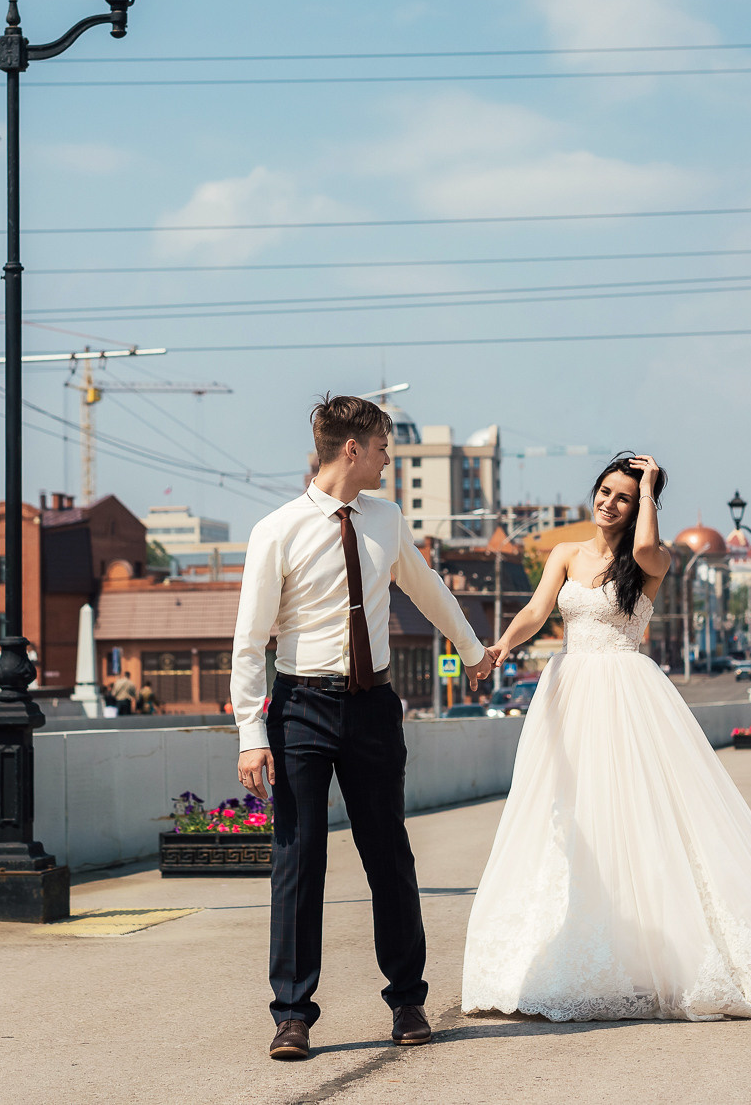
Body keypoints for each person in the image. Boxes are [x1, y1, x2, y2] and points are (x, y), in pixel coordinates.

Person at [462, 453, 751, 1022]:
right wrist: (503, 645)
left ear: (638, 506)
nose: (608, 502)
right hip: (568, 693)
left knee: (634, 818)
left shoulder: (653, 559)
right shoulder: (565, 553)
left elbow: (647, 547)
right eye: (605, 490)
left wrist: (648, 487)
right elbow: (535, 609)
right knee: (570, 820)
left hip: (625, 692)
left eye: (622, 497)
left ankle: (656, 954)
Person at [232, 394, 491, 1062]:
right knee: (299, 860)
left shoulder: (386, 519)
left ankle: (407, 999)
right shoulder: (277, 530)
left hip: (373, 707)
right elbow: (249, 640)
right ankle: (292, 1014)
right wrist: (249, 733)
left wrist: (471, 650)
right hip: (300, 708)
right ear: (352, 448)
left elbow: (427, 587)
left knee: (389, 855)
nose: (387, 458)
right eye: (381, 447)